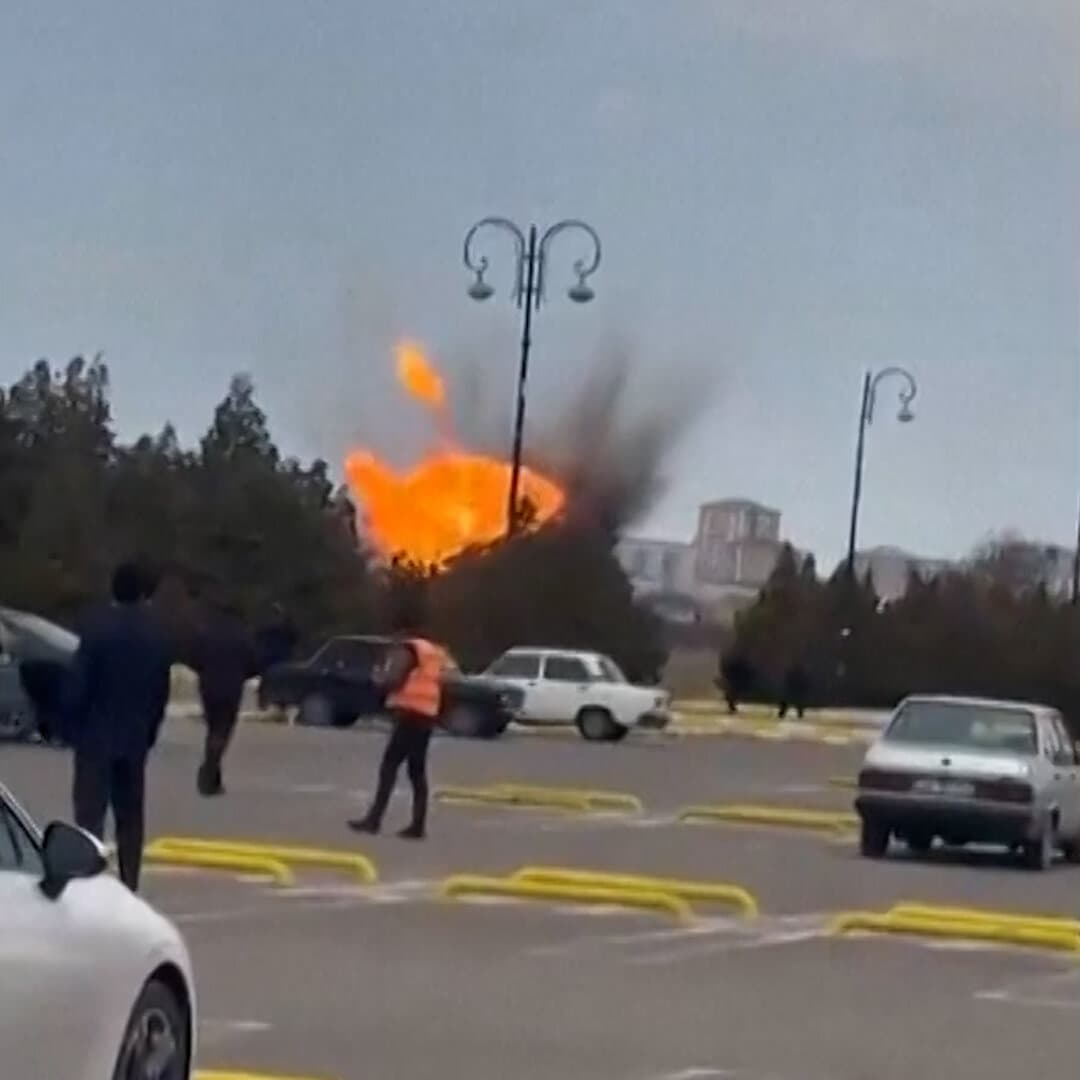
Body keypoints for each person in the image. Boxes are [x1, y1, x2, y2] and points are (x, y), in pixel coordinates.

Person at [66, 562, 172, 891]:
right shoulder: (156, 635)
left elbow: (78, 686)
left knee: (89, 816)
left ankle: (88, 881)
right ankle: (130, 882)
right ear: (143, 593)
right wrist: (149, 731)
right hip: (134, 738)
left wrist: (70, 724)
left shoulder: (96, 630)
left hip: (95, 737)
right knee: (130, 817)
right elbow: (160, 692)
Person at [348, 606, 447, 841]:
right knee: (417, 772)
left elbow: (396, 677)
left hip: (410, 715)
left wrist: (379, 684)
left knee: (389, 767)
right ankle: (418, 824)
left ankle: (374, 819)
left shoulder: (409, 649)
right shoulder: (432, 651)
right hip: (426, 715)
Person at [190, 597, 258, 797]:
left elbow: (194, 657)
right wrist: (242, 674)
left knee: (213, 730)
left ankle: (212, 777)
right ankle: (208, 774)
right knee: (223, 731)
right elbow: (254, 663)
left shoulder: (206, 632)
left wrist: (204, 672)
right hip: (231, 687)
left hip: (209, 686)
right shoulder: (243, 635)